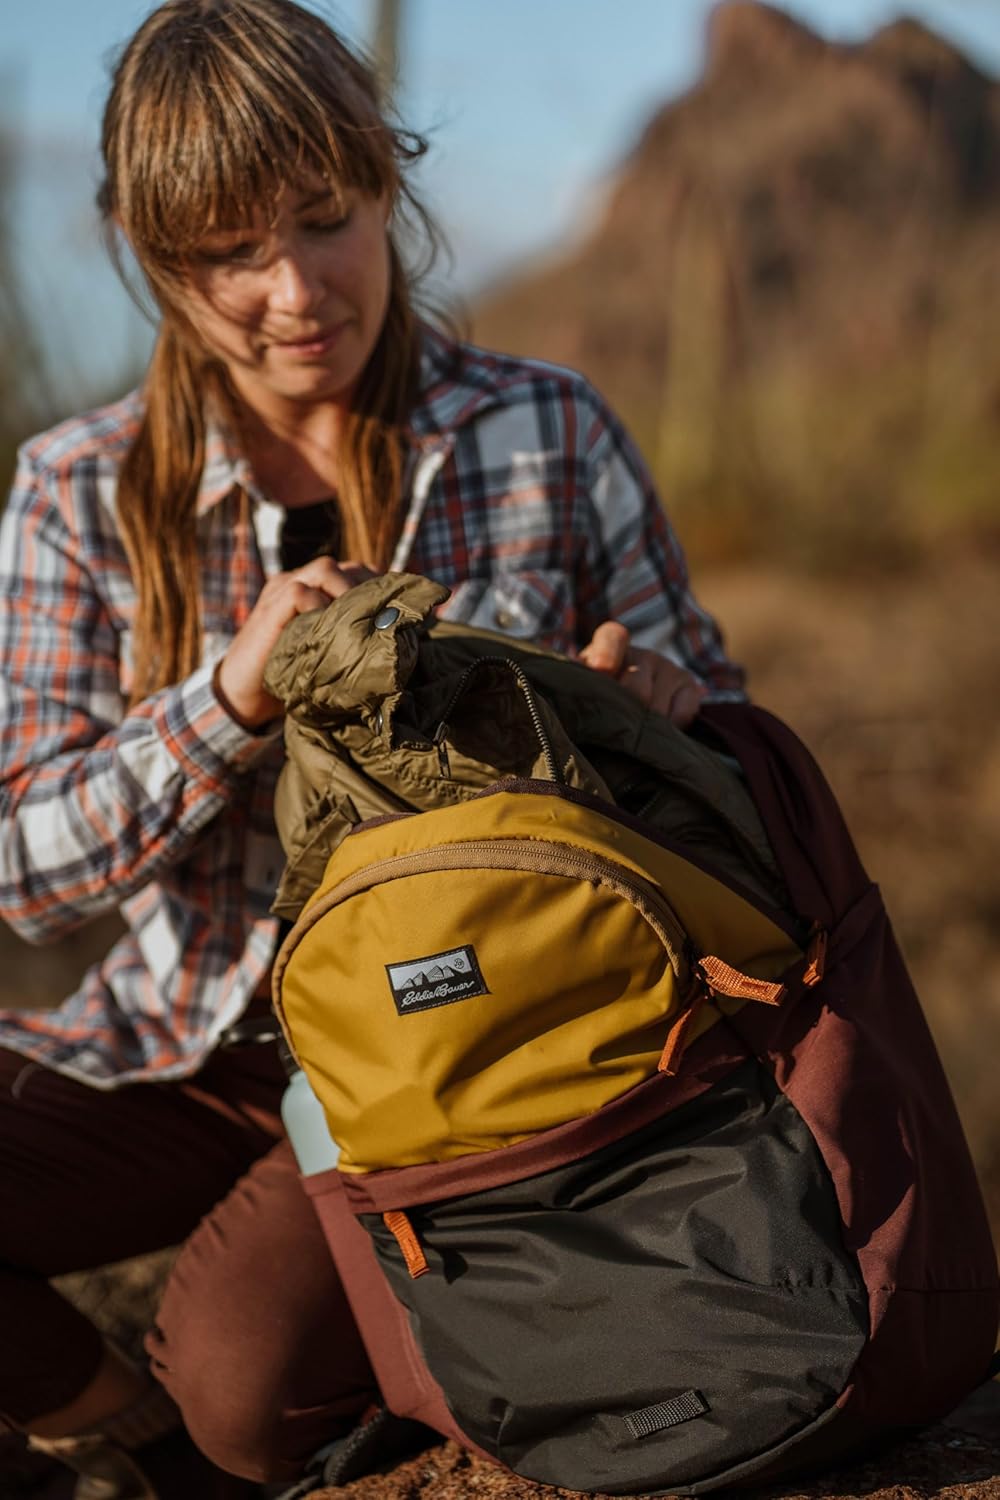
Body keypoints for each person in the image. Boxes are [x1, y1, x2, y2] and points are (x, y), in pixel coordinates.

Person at [0, 2, 745, 1495]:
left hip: (462, 1034)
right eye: (228, 254)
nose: (294, 290)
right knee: (186, 1408)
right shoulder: (73, 493)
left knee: (239, 1387)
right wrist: (230, 698)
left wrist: (659, 706)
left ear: (386, 189)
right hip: (187, 1041)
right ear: (155, 258)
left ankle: (359, 1365)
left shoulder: (547, 432)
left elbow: (731, 741)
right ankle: (114, 1428)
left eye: (326, 220)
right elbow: (22, 869)